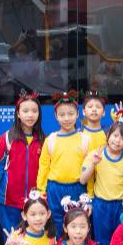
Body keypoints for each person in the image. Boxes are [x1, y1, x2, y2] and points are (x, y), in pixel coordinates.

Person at [0, 92, 44, 234]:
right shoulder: (8, 138)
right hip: (9, 199)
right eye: (25, 111)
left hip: (34, 201)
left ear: (39, 114)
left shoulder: (43, 140)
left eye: (34, 111)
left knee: (32, 237)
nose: (30, 115)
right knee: (11, 237)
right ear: (18, 114)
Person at [36, 92, 89, 233]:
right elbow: (44, 166)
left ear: (77, 114)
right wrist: (41, 190)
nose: (66, 118)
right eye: (62, 114)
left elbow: (90, 169)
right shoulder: (51, 139)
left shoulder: (85, 139)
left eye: (71, 114)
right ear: (56, 116)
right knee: (56, 222)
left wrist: (90, 194)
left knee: (77, 223)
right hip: (55, 188)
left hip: (77, 187)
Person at [80, 118, 123, 245]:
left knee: (119, 242)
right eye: (115, 135)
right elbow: (82, 179)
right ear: (108, 135)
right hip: (101, 205)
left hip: (120, 206)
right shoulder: (96, 154)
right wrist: (93, 164)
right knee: (101, 242)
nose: (117, 140)